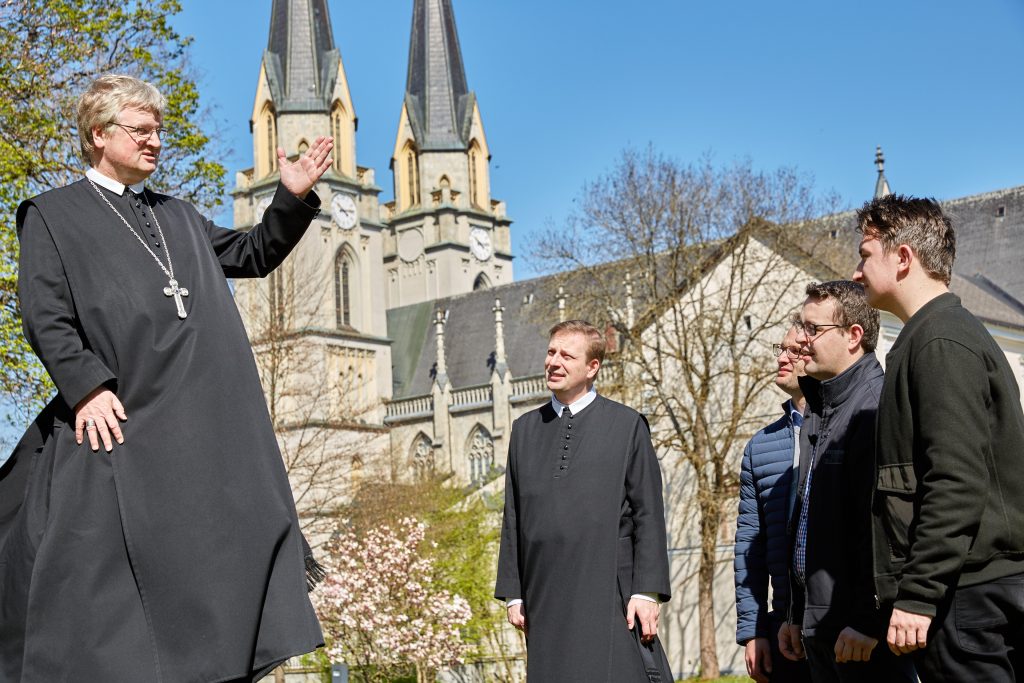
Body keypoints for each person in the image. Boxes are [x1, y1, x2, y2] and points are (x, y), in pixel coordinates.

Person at [0, 74, 331, 682]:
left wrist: (291, 198)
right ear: (99, 135)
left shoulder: (178, 217)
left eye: (159, 131)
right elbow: (44, 313)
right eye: (141, 130)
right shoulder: (51, 216)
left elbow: (253, 253)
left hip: (200, 423)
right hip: (122, 418)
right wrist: (87, 386)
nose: (155, 142)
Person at [852, 195, 1024, 682]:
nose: (858, 271)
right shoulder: (933, 336)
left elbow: (955, 479)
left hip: (969, 599)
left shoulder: (940, 341)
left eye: (866, 255)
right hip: (967, 592)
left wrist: (919, 594)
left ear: (903, 258)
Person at [495, 319, 673, 682]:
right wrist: (514, 593)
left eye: (566, 355)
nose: (553, 362)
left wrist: (646, 590)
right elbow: (512, 516)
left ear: (592, 367)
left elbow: (648, 513)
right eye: (550, 352)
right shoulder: (524, 430)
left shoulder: (627, 425)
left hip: (611, 591)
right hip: (544, 594)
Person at [777, 281, 914, 683]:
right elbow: (807, 524)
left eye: (812, 329)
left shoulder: (875, 406)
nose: (801, 341)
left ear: (854, 336)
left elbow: (888, 527)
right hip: (820, 628)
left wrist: (869, 620)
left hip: (858, 635)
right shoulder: (821, 405)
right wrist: (796, 613)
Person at [734, 326, 812, 683]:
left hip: (843, 623)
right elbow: (749, 545)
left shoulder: (852, 426)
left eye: (794, 350)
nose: (781, 358)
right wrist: (754, 630)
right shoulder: (759, 447)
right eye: (780, 348)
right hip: (782, 633)